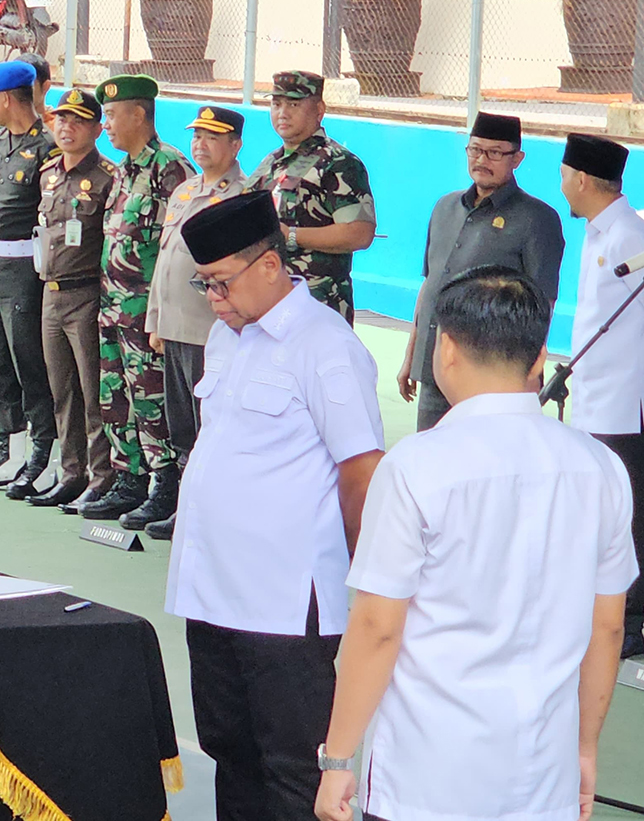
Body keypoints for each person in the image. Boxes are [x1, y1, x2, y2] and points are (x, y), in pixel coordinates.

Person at [314, 266, 637, 821]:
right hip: (543, 776)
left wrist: (338, 758)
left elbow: (378, 626)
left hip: (426, 778)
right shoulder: (602, 468)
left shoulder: (416, 466)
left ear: (446, 348)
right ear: (540, 358)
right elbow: (607, 626)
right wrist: (584, 748)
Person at [167, 192, 384, 821]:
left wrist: (367, 582)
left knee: (293, 767)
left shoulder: (325, 345)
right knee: (229, 752)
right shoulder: (226, 337)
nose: (214, 299)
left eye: (222, 283)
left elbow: (361, 472)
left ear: (269, 266)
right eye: (203, 283)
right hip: (212, 593)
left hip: (286, 607)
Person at [396, 112, 564, 431]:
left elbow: (543, 305)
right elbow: (430, 285)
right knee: (433, 463)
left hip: (495, 377)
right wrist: (412, 354)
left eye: (495, 152)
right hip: (437, 370)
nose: (482, 160)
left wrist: (529, 374)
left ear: (518, 158)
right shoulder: (445, 207)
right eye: (475, 150)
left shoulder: (537, 219)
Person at [81, 75, 194, 524]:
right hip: (113, 307)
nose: (105, 124)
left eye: (111, 115)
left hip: (146, 312)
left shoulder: (170, 168)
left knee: (152, 399)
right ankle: (130, 479)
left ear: (139, 115)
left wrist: (160, 313)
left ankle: (166, 484)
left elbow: (178, 248)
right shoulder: (123, 170)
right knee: (116, 396)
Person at [133, 105, 247, 536]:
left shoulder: (241, 194)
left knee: (209, 425)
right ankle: (186, 503)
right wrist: (155, 319)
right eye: (197, 136)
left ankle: (209, 511)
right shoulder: (184, 191)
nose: (200, 144)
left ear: (235, 145)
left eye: (212, 137)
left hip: (210, 330)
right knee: (181, 425)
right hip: (175, 328)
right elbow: (165, 261)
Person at [560, 132, 644, 658]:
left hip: (622, 403)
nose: (563, 185)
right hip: (592, 396)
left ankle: (631, 619)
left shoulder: (629, 237)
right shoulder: (597, 231)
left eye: (565, 175)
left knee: (629, 512)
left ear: (584, 179)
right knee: (602, 510)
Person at [0, 60, 58, 496]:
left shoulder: (47, 146)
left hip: (26, 268)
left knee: (29, 362)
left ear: (6, 99)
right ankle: (12, 447)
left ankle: (44, 450)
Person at [32, 88, 115, 511]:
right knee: (61, 390)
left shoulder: (106, 177)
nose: (66, 127)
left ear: (97, 129)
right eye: (61, 119)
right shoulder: (48, 173)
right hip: (51, 291)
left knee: (92, 392)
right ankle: (71, 472)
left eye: (78, 121)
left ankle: (100, 477)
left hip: (86, 293)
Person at [244, 71, 376, 323]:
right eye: (276, 104)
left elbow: (360, 233)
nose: (282, 112)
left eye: (293, 104)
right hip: (268, 304)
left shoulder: (337, 162)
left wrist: (289, 235)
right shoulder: (270, 163)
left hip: (316, 305)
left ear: (319, 109)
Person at [17, 52, 52, 128]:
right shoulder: (3, 123)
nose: (19, 91)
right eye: (15, 85)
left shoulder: (57, 129)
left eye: (27, 85)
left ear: (45, 87)